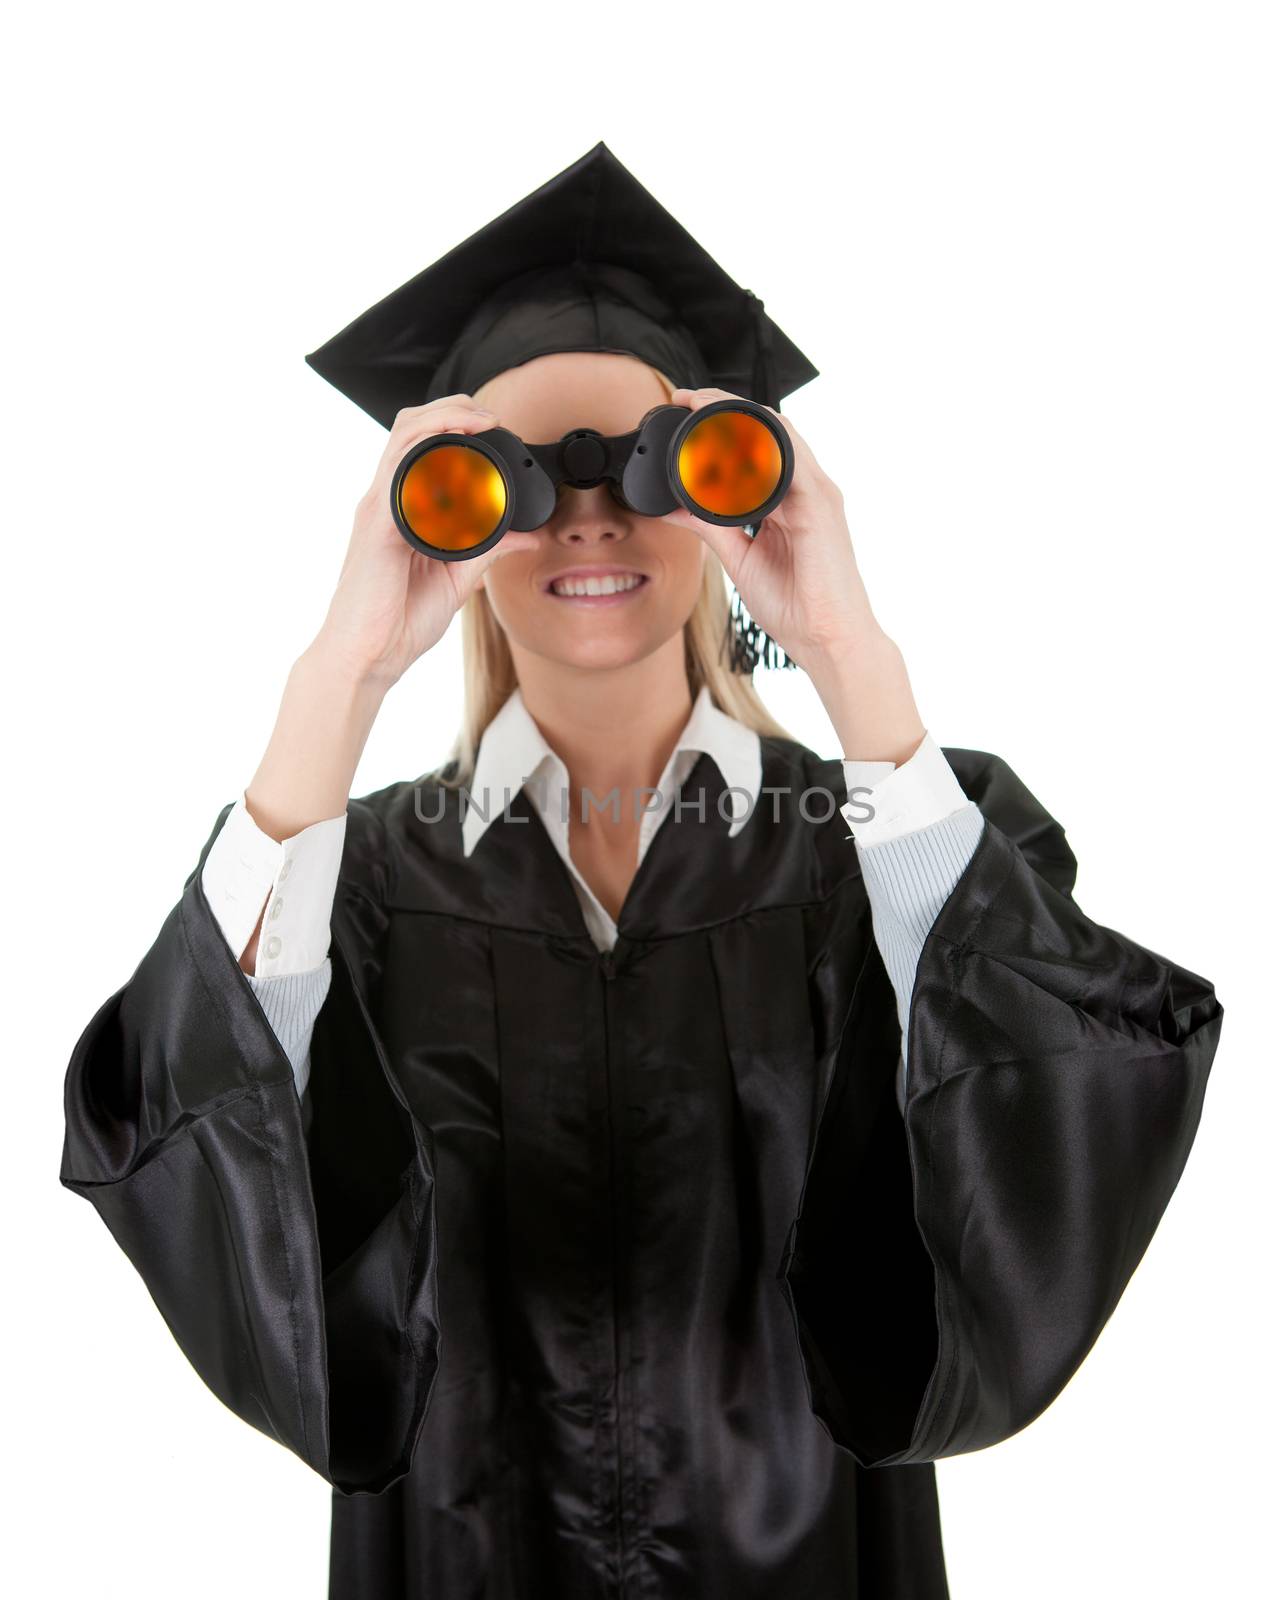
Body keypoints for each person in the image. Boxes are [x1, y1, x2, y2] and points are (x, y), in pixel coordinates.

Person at [60, 142, 1223, 1600]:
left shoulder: (881, 839)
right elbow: (215, 1173)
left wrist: (849, 653)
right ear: (451, 514)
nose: (586, 514)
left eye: (644, 465)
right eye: (516, 480)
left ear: (727, 486)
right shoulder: (343, 883)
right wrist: (340, 671)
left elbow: (1045, 1114)